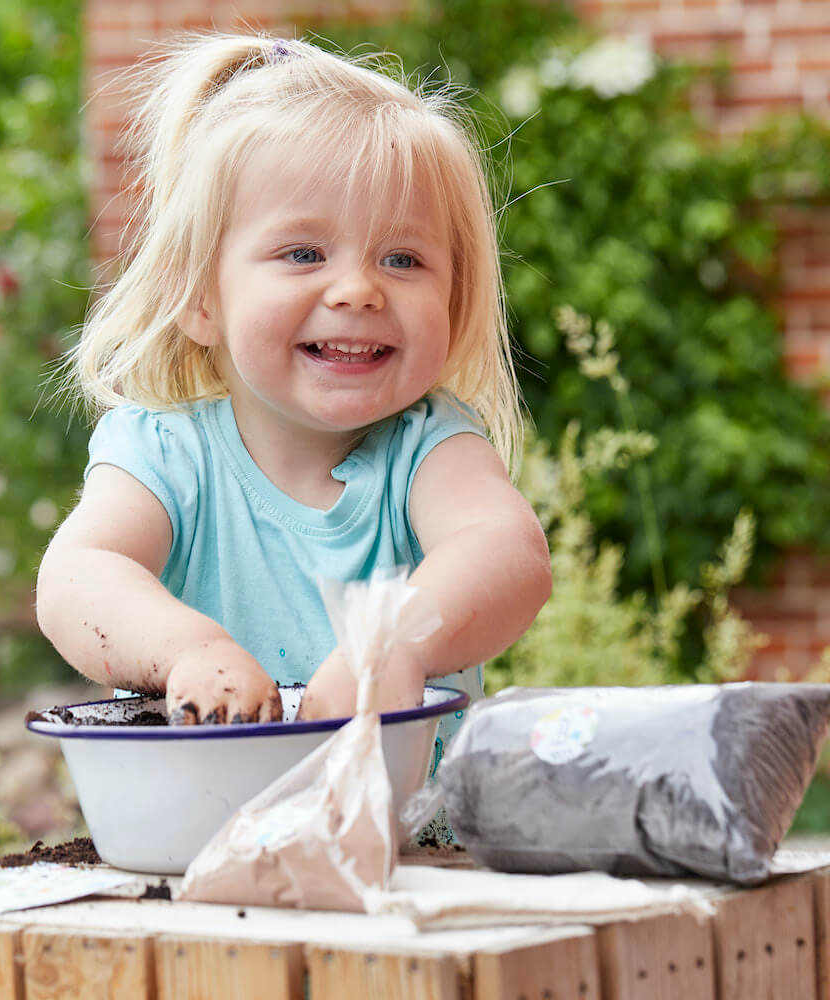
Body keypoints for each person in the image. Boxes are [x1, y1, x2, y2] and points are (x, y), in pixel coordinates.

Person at [36, 32, 551, 742]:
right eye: (304, 252)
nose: (358, 289)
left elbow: (508, 554)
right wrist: (190, 651)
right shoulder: (166, 452)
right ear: (201, 297)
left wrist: (390, 643)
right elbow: (78, 577)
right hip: (194, 837)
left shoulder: (428, 449)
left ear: (456, 299)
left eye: (402, 258)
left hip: (403, 842)